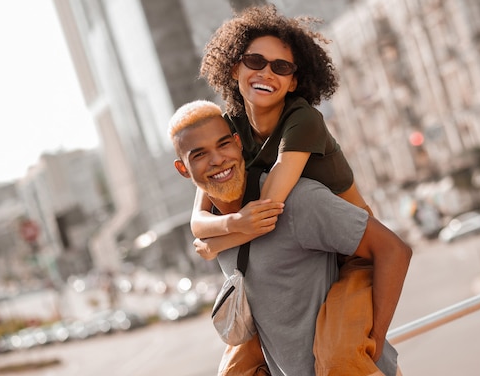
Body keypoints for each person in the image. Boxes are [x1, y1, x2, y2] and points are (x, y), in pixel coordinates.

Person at [190, 4, 393, 375]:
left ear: (294, 81)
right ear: (235, 67)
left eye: (281, 67)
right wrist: (218, 232)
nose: (266, 72)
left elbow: (269, 207)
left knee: (340, 360)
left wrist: (217, 241)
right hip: (302, 248)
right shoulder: (230, 126)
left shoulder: (302, 119)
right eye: (255, 61)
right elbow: (198, 220)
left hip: (351, 253)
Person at [169, 100, 412, 375]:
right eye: (199, 155)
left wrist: (375, 341)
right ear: (183, 169)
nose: (217, 160)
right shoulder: (215, 228)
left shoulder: (297, 202)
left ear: (238, 143)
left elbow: (395, 250)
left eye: (223, 144)